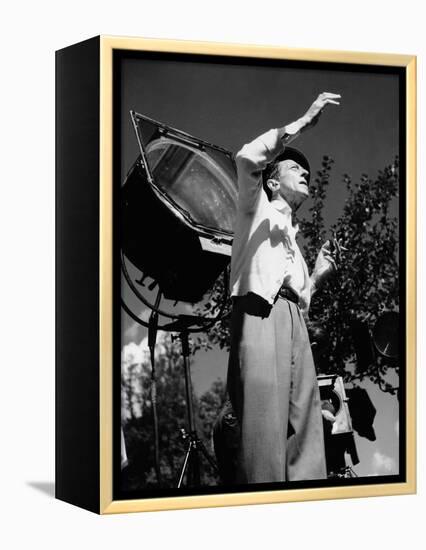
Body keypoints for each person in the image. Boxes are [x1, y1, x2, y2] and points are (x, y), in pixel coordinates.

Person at [224, 92, 342, 484]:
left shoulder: (294, 239)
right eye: (296, 167)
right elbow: (245, 157)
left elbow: (302, 298)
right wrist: (301, 124)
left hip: (294, 323)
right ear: (273, 181)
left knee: (307, 429)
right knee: (263, 429)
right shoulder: (253, 207)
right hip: (260, 313)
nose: (305, 173)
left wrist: (320, 272)